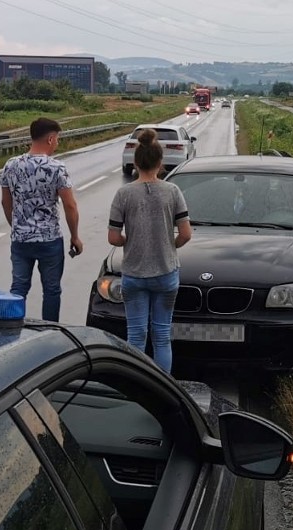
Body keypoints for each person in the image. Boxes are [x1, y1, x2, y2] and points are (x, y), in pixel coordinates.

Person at [107, 128, 192, 373]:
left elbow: (113, 238)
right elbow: (186, 234)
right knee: (162, 335)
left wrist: (130, 242)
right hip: (166, 273)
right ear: (160, 162)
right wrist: (167, 244)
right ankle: (164, 388)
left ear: (135, 162)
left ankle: (138, 389)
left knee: (136, 336)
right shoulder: (172, 192)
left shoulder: (123, 194)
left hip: (134, 274)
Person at [0, 117, 83, 322]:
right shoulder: (56, 168)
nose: (57, 144)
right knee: (52, 290)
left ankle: (13, 328)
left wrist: (17, 226)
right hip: (49, 240)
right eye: (57, 140)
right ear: (50, 139)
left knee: (18, 288)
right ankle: (50, 331)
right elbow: (70, 205)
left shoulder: (11, 165)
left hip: (21, 240)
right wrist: (75, 236)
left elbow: (5, 202)